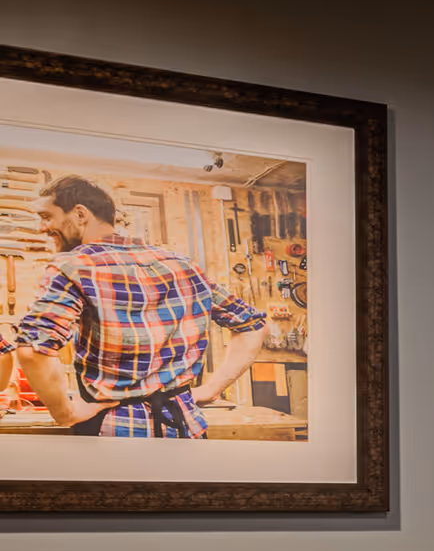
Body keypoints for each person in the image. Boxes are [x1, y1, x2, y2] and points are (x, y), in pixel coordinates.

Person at [0, 174, 267, 437]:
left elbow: (34, 351)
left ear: (80, 215)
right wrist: (211, 389)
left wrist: (64, 412)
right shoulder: (180, 263)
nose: (41, 228)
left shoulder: (72, 265)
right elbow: (253, 326)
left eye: (47, 217)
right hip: (186, 426)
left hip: (115, 432)